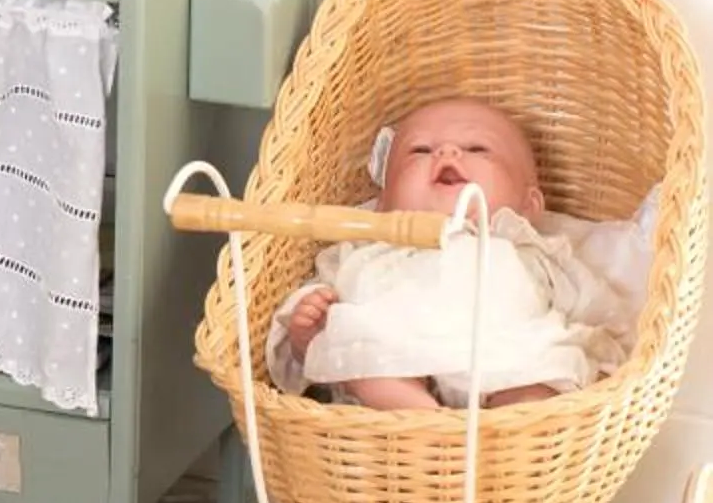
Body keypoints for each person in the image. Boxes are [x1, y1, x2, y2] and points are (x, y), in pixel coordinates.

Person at [268, 97, 625, 410]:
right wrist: (308, 329)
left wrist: (610, 342)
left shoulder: (530, 249)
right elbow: (326, 296)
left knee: (552, 366)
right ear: (382, 203)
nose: (447, 152)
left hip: (507, 357)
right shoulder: (369, 247)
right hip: (396, 356)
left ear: (528, 205)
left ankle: (508, 424)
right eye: (420, 150)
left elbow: (594, 307)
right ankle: (422, 418)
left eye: (477, 148)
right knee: (357, 353)